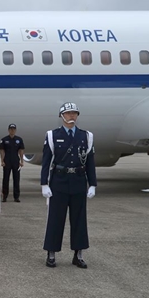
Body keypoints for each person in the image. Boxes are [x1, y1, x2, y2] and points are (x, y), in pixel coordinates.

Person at [41, 102, 96, 269]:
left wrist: (92, 184)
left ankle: (78, 254)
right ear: (61, 116)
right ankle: (51, 253)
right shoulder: (52, 135)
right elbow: (46, 162)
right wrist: (44, 184)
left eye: (75, 113)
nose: (72, 115)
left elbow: (90, 163)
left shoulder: (86, 136)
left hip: (79, 181)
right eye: (69, 113)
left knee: (79, 220)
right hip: (59, 181)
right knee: (55, 219)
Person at [0, 123, 25, 202]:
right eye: (11, 129)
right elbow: (2, 150)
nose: (12, 130)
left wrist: (22, 161)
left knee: (16, 179)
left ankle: (16, 196)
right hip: (7, 161)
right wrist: (2, 161)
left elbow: (21, 150)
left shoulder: (19, 139)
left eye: (13, 129)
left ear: (15, 130)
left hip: (15, 161)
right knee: (5, 179)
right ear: (8, 130)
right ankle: (5, 196)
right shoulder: (4, 139)